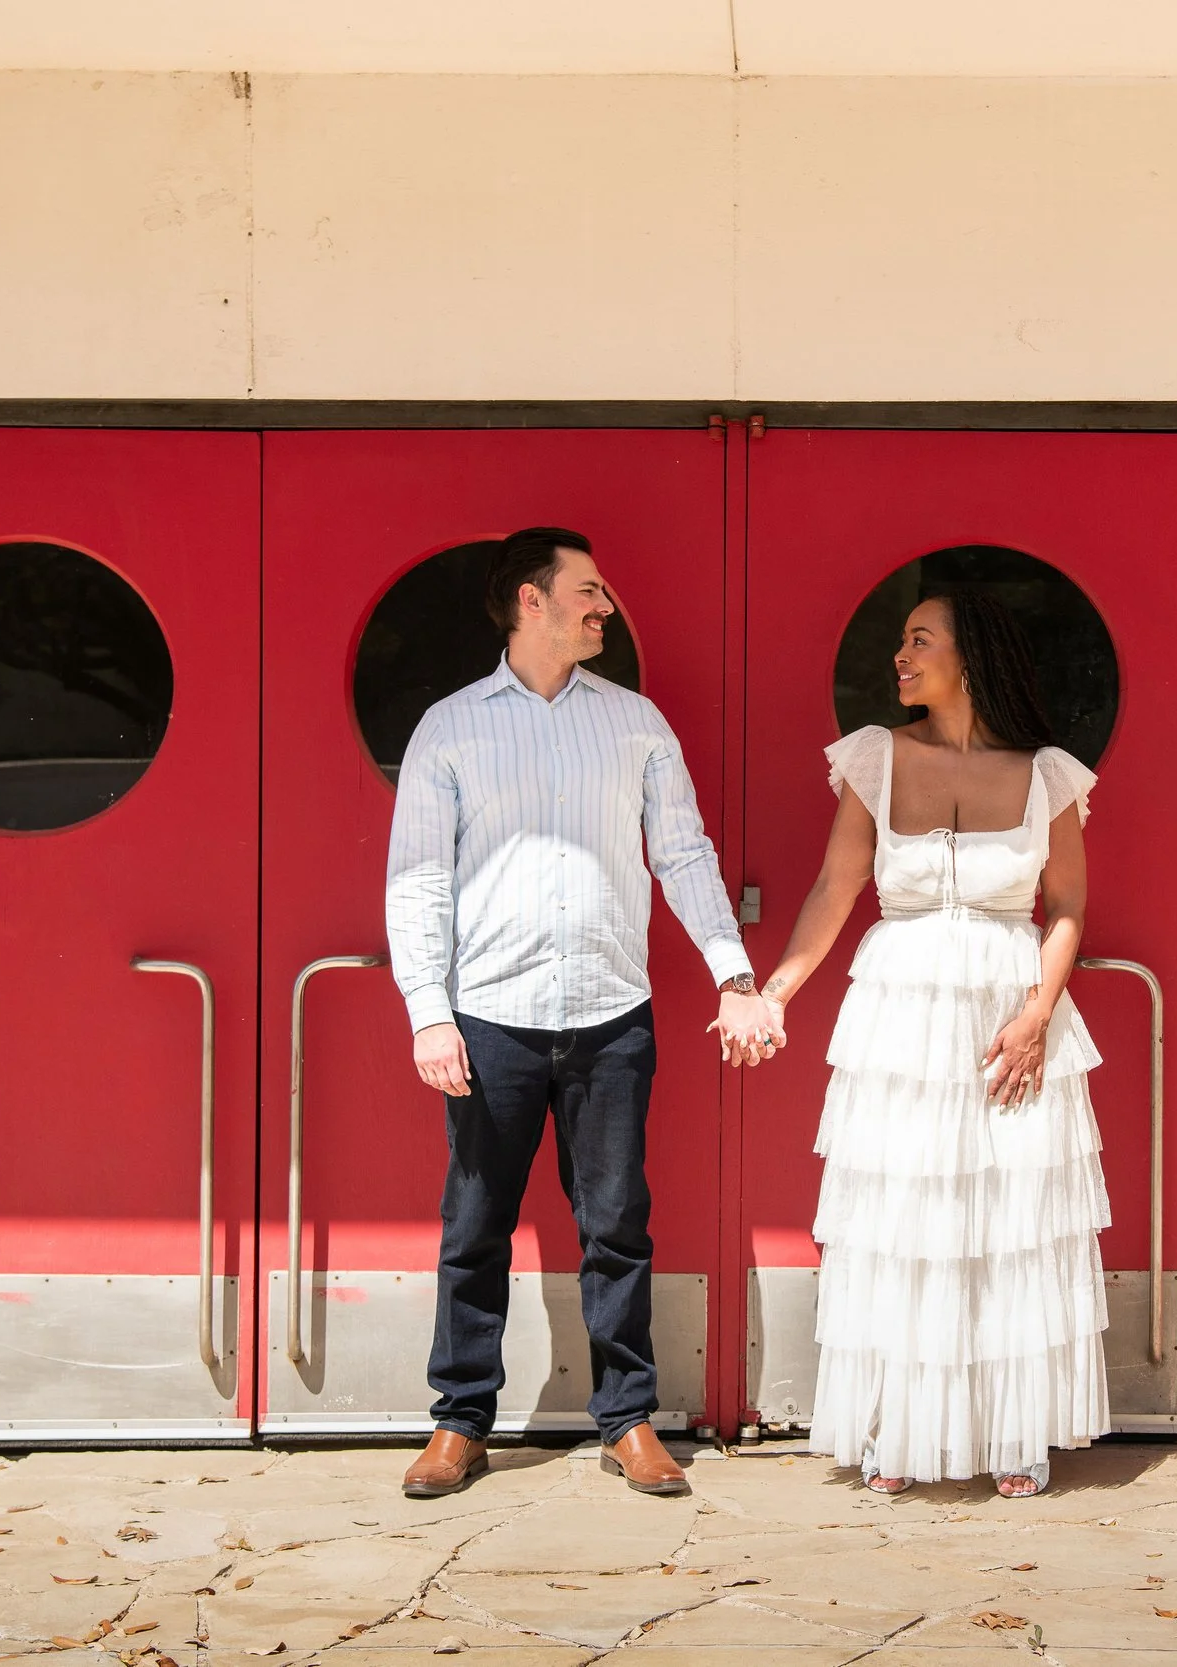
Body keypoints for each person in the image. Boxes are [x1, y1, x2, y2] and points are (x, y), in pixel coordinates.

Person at [385, 526, 779, 1501]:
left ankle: (627, 1418)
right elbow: (417, 880)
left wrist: (732, 972)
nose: (603, 608)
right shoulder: (452, 726)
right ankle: (458, 1421)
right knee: (474, 1223)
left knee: (616, 1222)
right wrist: (428, 1012)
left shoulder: (635, 721)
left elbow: (682, 853)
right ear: (532, 601)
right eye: (588, 592)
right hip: (490, 1016)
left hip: (611, 1014)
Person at [756, 589, 1109, 1497]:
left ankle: (1012, 1427)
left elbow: (1066, 906)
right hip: (901, 1013)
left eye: (920, 639)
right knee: (906, 1220)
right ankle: (900, 1426)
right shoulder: (875, 758)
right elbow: (836, 890)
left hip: (1009, 1010)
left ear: (971, 656)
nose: (900, 655)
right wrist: (777, 992)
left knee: (1008, 1219)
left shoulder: (1047, 775)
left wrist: (1038, 1014)